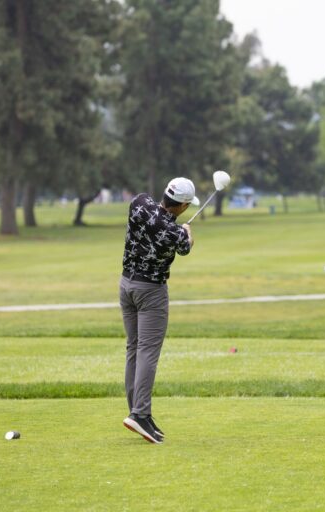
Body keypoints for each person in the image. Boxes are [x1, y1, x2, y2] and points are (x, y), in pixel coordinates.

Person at [120, 177, 199, 444]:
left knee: (134, 347)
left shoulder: (139, 203)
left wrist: (177, 226)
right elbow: (185, 247)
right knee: (147, 352)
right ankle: (140, 414)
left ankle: (138, 412)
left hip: (126, 286)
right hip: (151, 291)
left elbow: (154, 217)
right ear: (183, 206)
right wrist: (186, 231)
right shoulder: (175, 233)